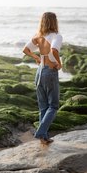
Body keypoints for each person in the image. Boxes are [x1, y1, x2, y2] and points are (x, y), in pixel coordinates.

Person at [23, 12, 63, 145]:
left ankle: (44, 138)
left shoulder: (38, 36)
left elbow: (26, 50)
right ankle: (40, 132)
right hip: (49, 72)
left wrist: (36, 57)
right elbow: (54, 50)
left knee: (43, 106)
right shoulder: (56, 36)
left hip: (39, 72)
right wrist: (59, 63)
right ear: (54, 22)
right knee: (53, 106)